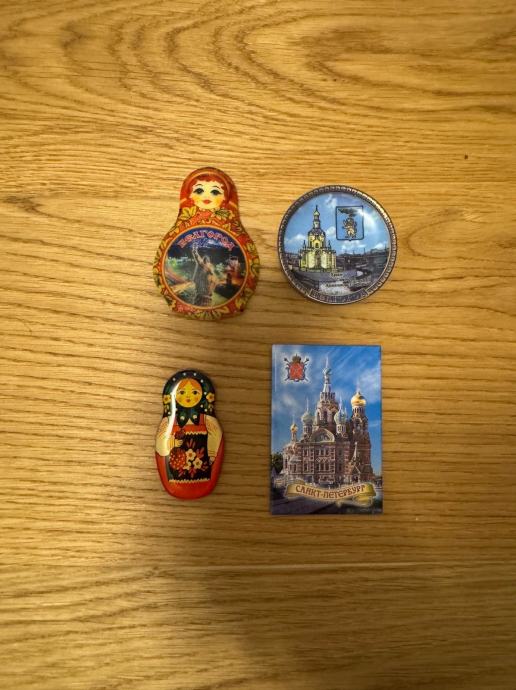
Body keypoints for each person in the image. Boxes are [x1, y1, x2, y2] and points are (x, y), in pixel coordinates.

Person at [155, 371, 223, 500]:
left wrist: (212, 455)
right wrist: (172, 443)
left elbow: (215, 436)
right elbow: (160, 443)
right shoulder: (168, 421)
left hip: (202, 468)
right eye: (181, 392)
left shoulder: (207, 419)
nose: (188, 396)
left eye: (195, 393)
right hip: (176, 469)